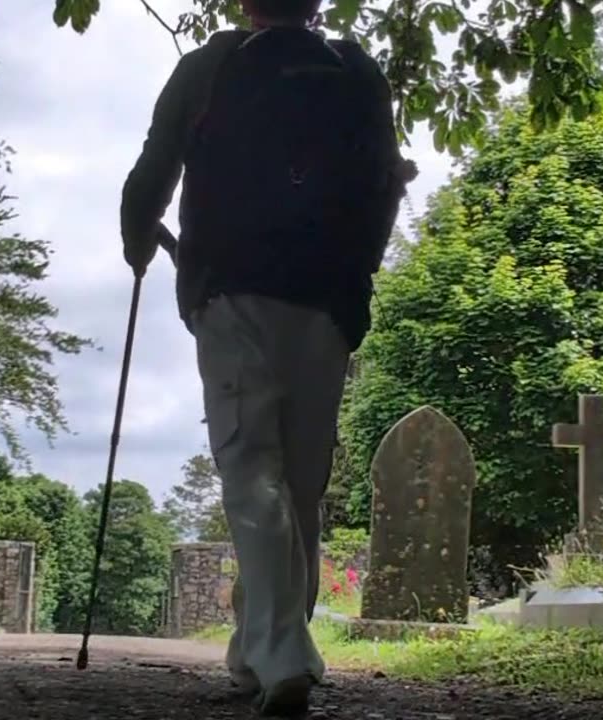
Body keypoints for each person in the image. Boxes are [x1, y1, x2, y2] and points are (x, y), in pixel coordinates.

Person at [119, 0, 412, 715]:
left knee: (252, 466)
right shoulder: (357, 71)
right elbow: (386, 182)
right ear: (315, 6)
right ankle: (258, 647)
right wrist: (361, 269)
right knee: (300, 478)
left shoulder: (209, 66)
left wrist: (137, 237)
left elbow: (153, 170)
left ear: (245, 5)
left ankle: (283, 654)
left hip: (231, 287)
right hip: (329, 297)